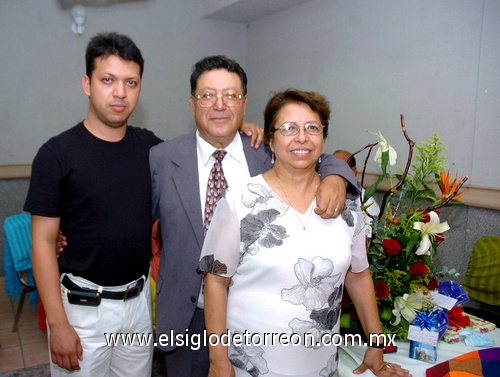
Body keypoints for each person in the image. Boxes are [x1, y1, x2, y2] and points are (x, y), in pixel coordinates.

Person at [23, 33, 263, 376]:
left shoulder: (151, 150)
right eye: (108, 80)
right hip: (83, 307)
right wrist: (58, 324)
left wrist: (243, 129)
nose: (120, 92)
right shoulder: (57, 154)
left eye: (130, 82)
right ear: (87, 84)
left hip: (137, 306)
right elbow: (43, 243)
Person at [150, 57, 361, 377]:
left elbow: (318, 152)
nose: (219, 105)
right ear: (192, 104)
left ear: (245, 102)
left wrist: (335, 176)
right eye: (208, 95)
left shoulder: (266, 150)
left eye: (231, 95)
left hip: (255, 327)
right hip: (186, 316)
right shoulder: (161, 159)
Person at [199, 89, 412, 377]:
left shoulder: (346, 206)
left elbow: (358, 275)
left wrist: (375, 342)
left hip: (319, 366)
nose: (301, 137)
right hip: (249, 365)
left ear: (323, 138)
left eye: (312, 128)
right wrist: (218, 361)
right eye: (288, 128)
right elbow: (215, 282)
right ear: (271, 141)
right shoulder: (239, 200)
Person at [334, 149, 381, 238]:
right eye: (331, 166)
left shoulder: (366, 201)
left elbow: (367, 239)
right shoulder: (319, 193)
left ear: (353, 171)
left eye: (339, 167)